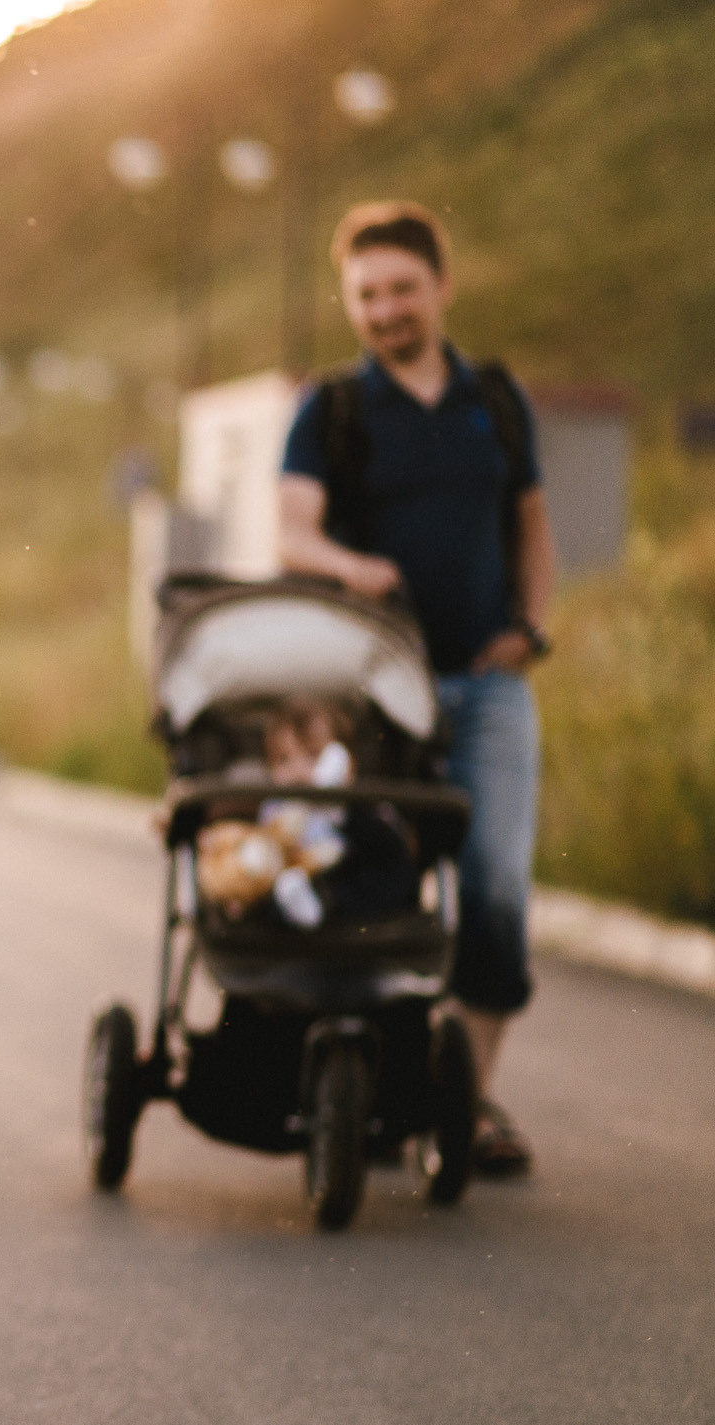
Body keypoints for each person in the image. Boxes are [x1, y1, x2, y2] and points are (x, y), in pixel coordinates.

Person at [278, 200, 555, 1178]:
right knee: (378, 879)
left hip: (487, 688)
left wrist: (531, 625)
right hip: (374, 691)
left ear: (440, 285)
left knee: (492, 887)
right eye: (366, 295)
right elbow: (291, 533)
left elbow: (530, 520)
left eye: (401, 289)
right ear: (348, 303)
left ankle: (465, 1104)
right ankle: (373, 1084)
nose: (386, 310)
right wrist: (352, 572)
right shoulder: (333, 408)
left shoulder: (495, 398)